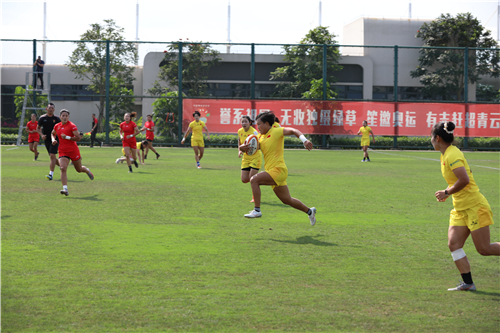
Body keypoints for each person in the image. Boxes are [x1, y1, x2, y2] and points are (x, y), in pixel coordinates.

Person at [432, 121, 500, 291]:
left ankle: (468, 283)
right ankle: (468, 283)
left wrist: (447, 193)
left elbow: (464, 180)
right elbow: (458, 180)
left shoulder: (452, 155)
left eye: (431, 137)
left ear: (437, 138)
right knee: (454, 244)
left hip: (474, 206)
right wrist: (448, 191)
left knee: (484, 249)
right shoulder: (445, 154)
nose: (430, 140)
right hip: (460, 207)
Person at [239, 112, 316, 225]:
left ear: (266, 123)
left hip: (278, 170)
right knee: (287, 200)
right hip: (272, 172)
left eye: (259, 124)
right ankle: (310, 211)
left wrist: (304, 140)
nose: (258, 127)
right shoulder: (260, 137)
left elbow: (294, 130)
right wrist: (242, 147)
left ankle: (257, 210)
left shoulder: (276, 131)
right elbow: (251, 149)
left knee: (254, 179)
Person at [51, 109, 94, 196]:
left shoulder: (72, 126)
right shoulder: (57, 126)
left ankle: (86, 170)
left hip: (73, 151)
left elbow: (78, 138)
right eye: (63, 115)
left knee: (79, 170)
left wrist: (67, 137)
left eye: (66, 116)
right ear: (60, 117)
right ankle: (65, 189)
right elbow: (52, 133)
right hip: (63, 151)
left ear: (68, 117)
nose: (65, 117)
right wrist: (53, 139)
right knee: (63, 168)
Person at [237, 116, 262, 202]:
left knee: (252, 179)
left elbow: (260, 144)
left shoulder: (254, 132)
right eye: (242, 122)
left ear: (250, 123)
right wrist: (239, 150)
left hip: (255, 157)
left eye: (245, 122)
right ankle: (261, 178)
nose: (243, 123)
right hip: (246, 158)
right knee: (244, 180)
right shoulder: (240, 131)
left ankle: (254, 197)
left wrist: (255, 147)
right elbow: (239, 141)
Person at [37, 102, 61, 180]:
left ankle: (50, 174)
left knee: (52, 156)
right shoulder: (42, 118)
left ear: (54, 109)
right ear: (46, 109)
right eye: (49, 108)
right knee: (52, 157)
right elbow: (38, 128)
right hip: (47, 139)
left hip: (55, 139)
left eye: (52, 108)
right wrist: (41, 135)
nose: (50, 109)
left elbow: (61, 128)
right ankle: (62, 166)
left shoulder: (57, 119)